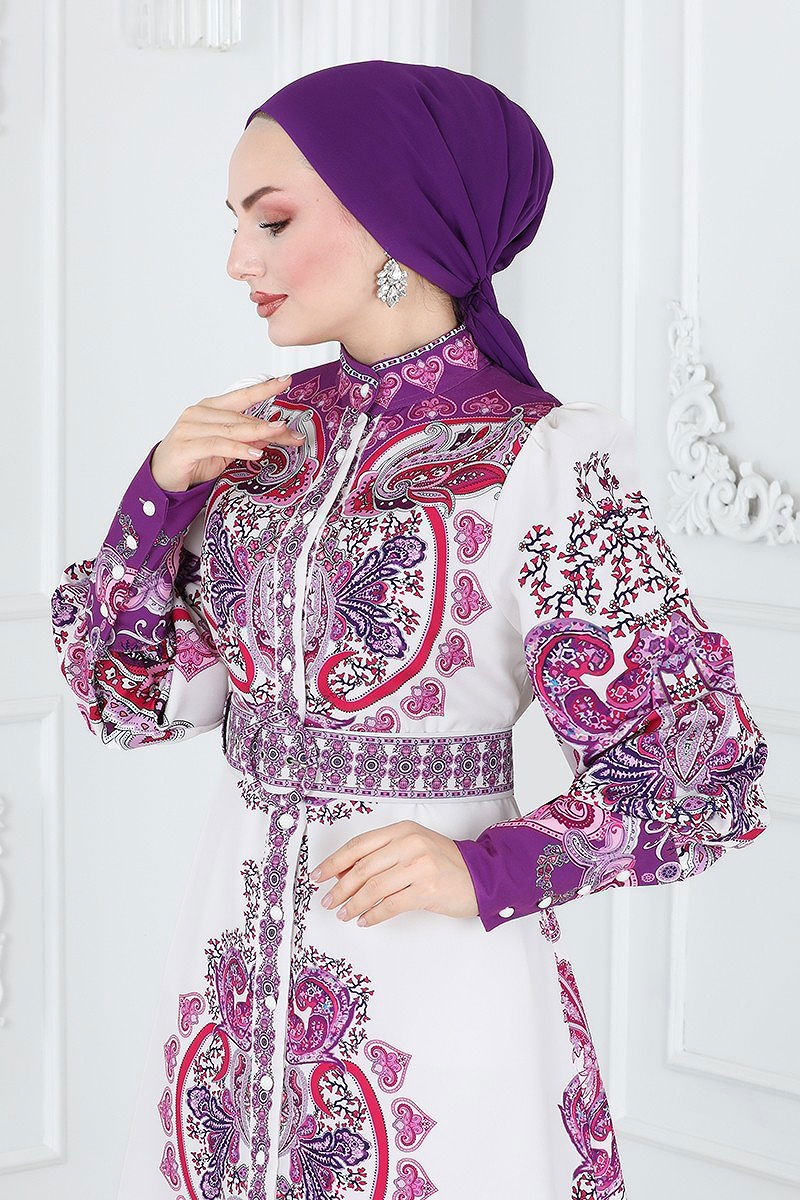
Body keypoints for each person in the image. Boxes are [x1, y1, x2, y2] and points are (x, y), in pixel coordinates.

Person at [50, 60, 770, 1199]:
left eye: (271, 221)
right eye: (233, 223)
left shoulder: (541, 460)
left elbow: (697, 769)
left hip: (431, 988)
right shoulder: (257, 440)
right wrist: (154, 500)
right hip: (230, 983)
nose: (238, 261)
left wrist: (488, 868)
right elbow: (129, 705)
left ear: (392, 217)